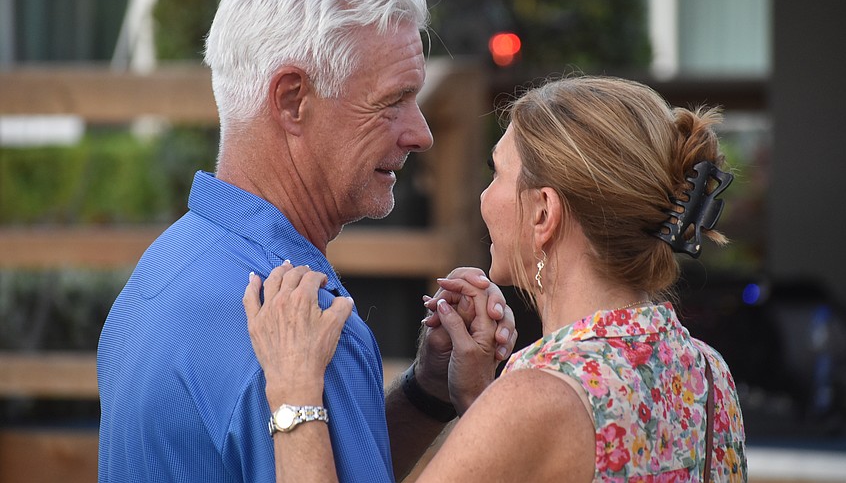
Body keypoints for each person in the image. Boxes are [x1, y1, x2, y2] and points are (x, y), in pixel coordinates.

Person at [97, 0, 517, 483]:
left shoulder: (161, 270)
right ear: (293, 98)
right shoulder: (306, 324)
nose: (421, 133)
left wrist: (427, 391)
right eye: (393, 101)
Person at [244, 75, 749, 482]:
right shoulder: (708, 373)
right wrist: (479, 404)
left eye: (497, 175)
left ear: (543, 214)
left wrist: (294, 392)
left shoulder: (538, 397)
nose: (483, 198)